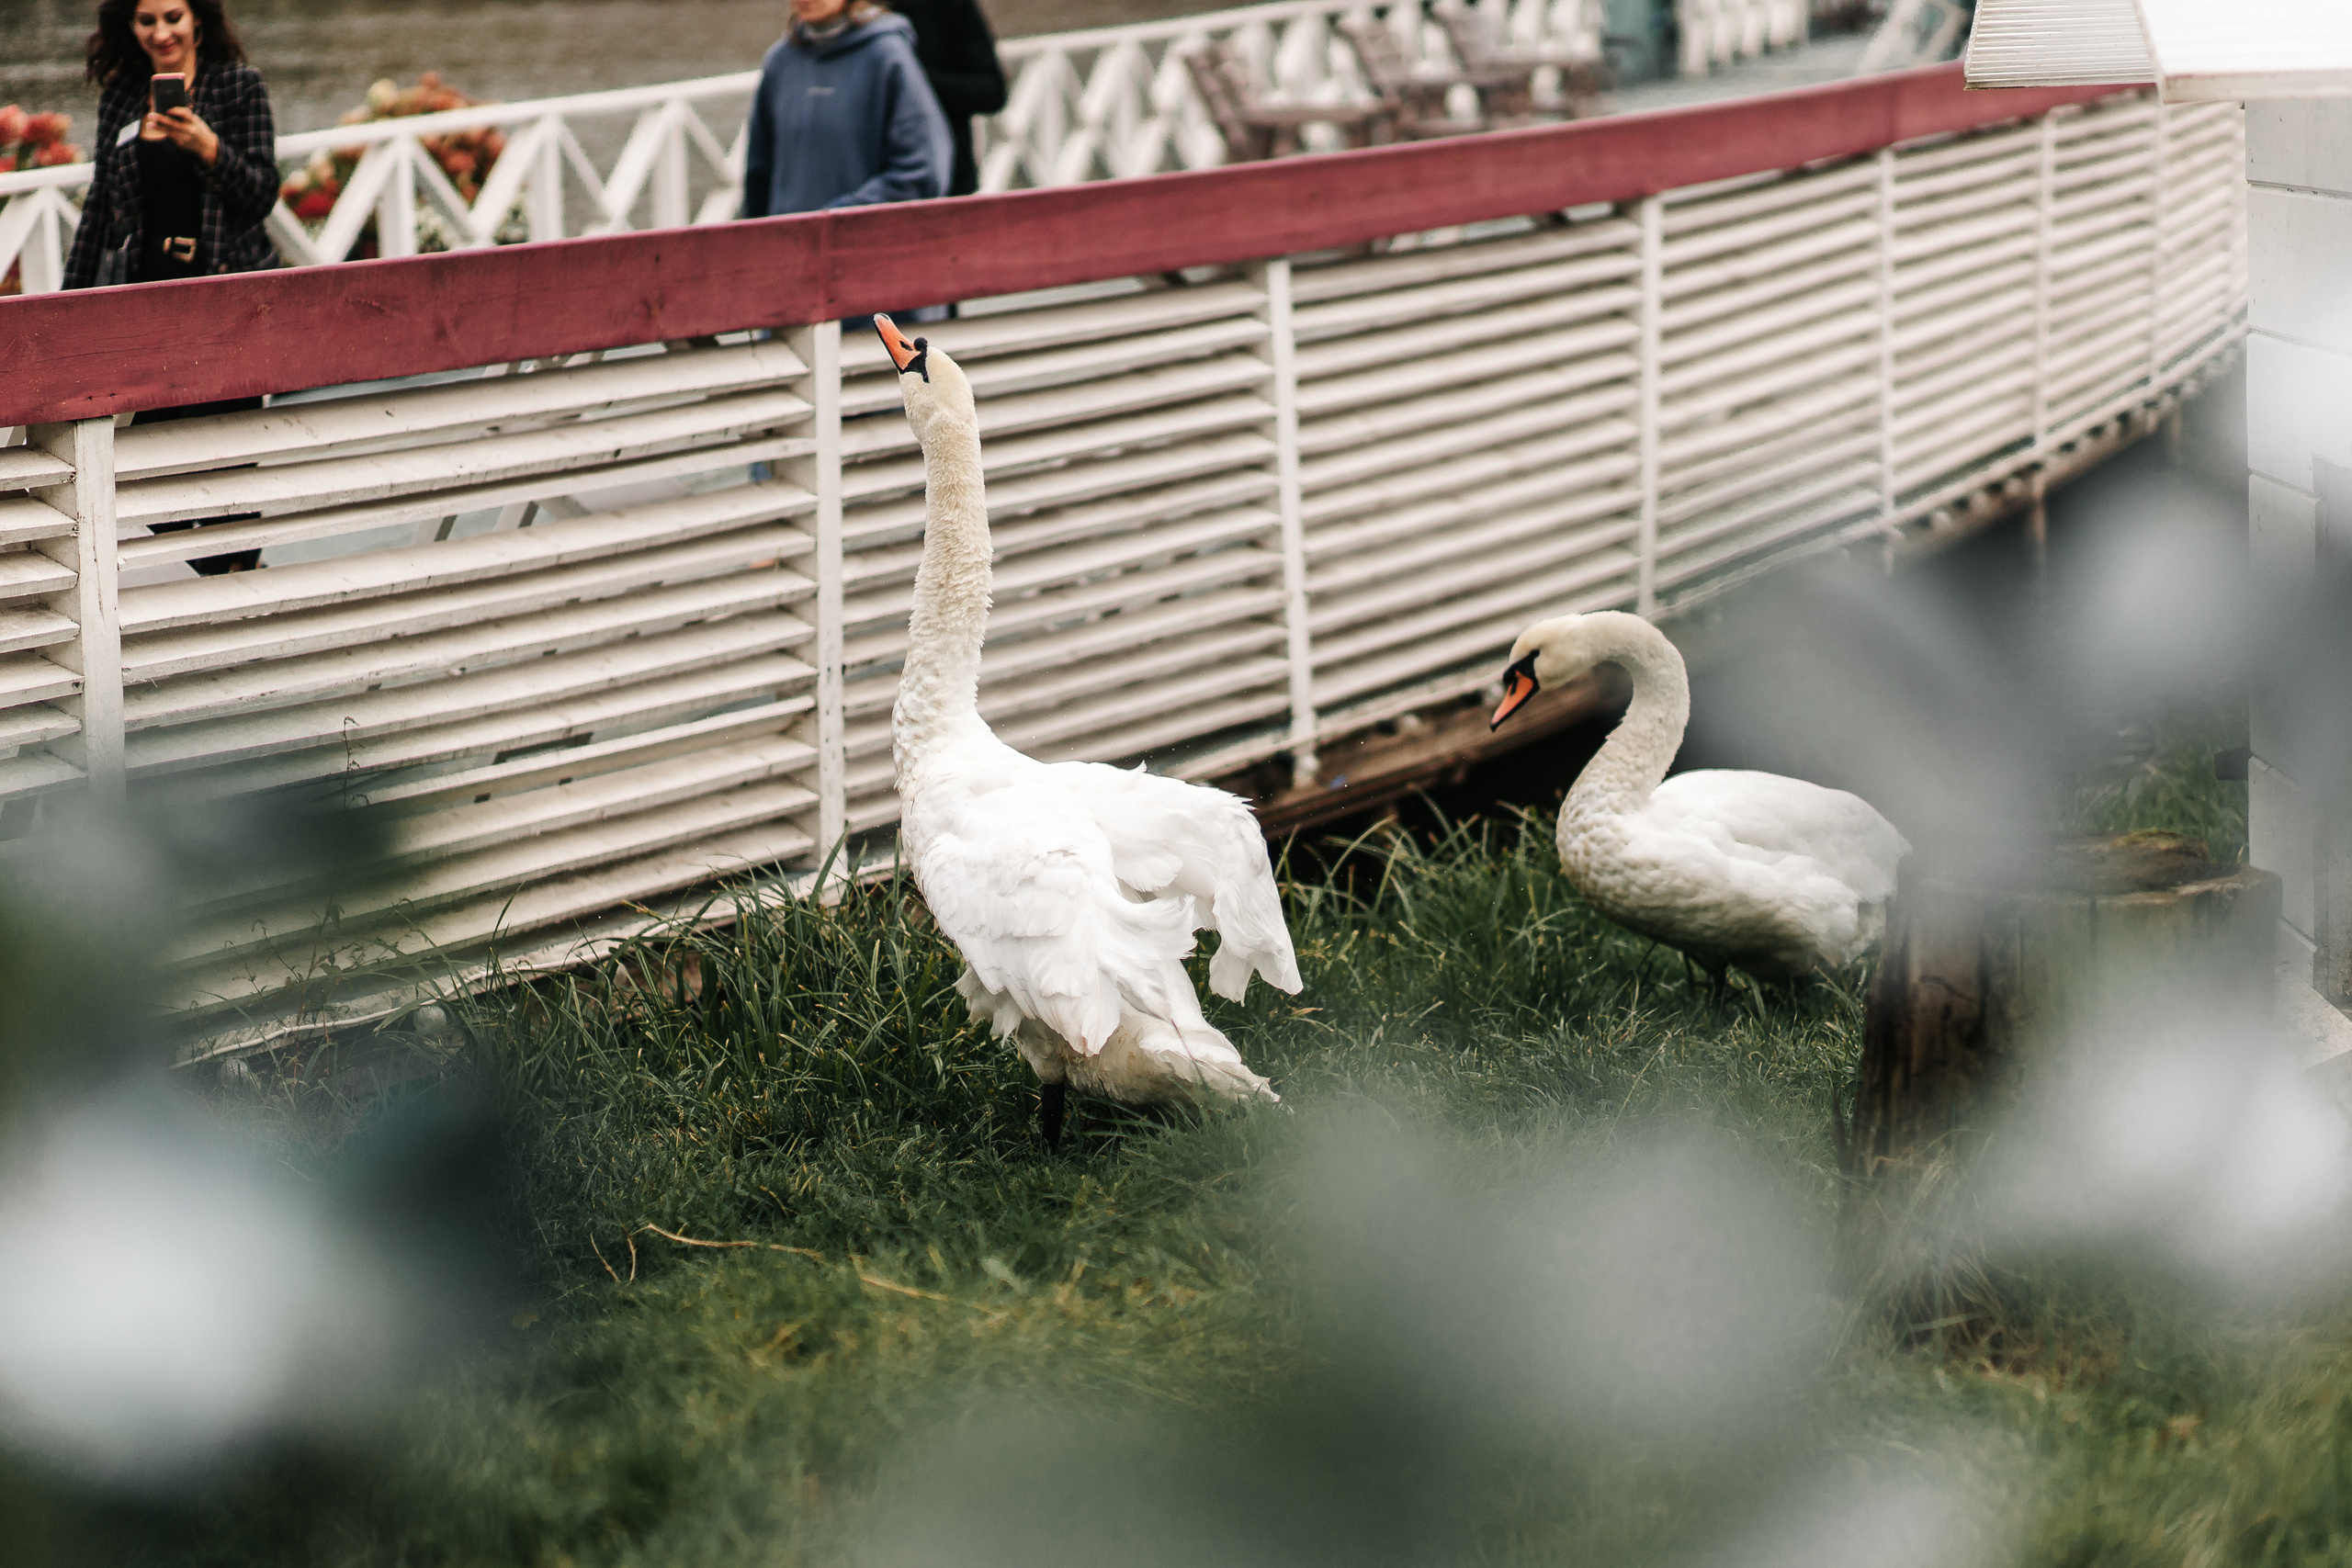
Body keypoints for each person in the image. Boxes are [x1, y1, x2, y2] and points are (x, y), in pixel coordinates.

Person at [65, 0, 277, 575]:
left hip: (224, 299)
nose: (162, 32)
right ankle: (218, 574)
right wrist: (67, 308)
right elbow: (100, 211)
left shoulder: (238, 87)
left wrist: (208, 147)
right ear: (129, 28)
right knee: (143, 462)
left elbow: (261, 194)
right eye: (147, 20)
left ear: (199, 19)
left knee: (230, 459)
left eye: (173, 17)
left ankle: (238, 579)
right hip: (150, 299)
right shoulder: (122, 97)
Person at [741, 0, 953, 221]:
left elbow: (923, 171)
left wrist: (836, 217)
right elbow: (758, 173)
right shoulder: (780, 61)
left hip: (862, 246)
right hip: (788, 247)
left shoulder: (886, 55)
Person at [888, 0, 1008, 198]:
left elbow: (991, 91)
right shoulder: (827, 20)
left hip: (947, 182)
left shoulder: (948, 6)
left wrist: (909, 79)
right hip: (862, 185)